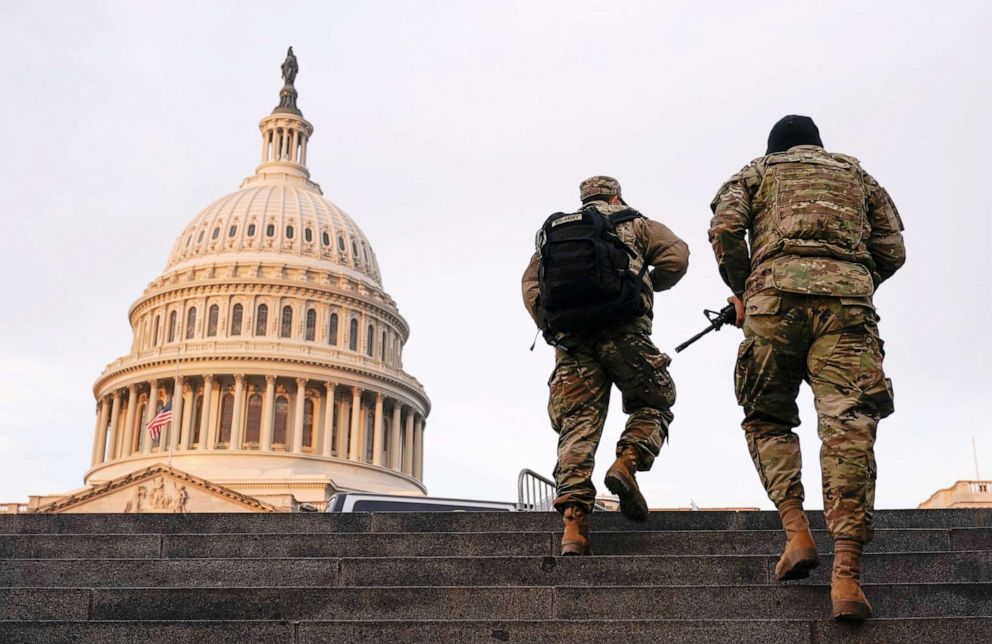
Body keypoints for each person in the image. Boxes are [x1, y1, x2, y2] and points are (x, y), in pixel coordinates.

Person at [708, 115, 906, 621]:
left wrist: (745, 288)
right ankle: (847, 577)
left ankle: (796, 531)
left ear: (775, 147)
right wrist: (850, 277)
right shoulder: (859, 177)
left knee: (767, 417)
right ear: (818, 145)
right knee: (848, 429)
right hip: (848, 306)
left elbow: (726, 229)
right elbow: (893, 249)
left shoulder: (754, 172)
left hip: (772, 303)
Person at [522, 176, 688, 555]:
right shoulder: (638, 224)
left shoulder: (552, 234)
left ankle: (574, 528)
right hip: (624, 333)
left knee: (578, 428)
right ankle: (627, 461)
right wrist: (643, 284)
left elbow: (531, 285)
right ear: (615, 195)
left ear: (584, 201)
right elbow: (677, 258)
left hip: (573, 344)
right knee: (656, 401)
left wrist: (550, 325)